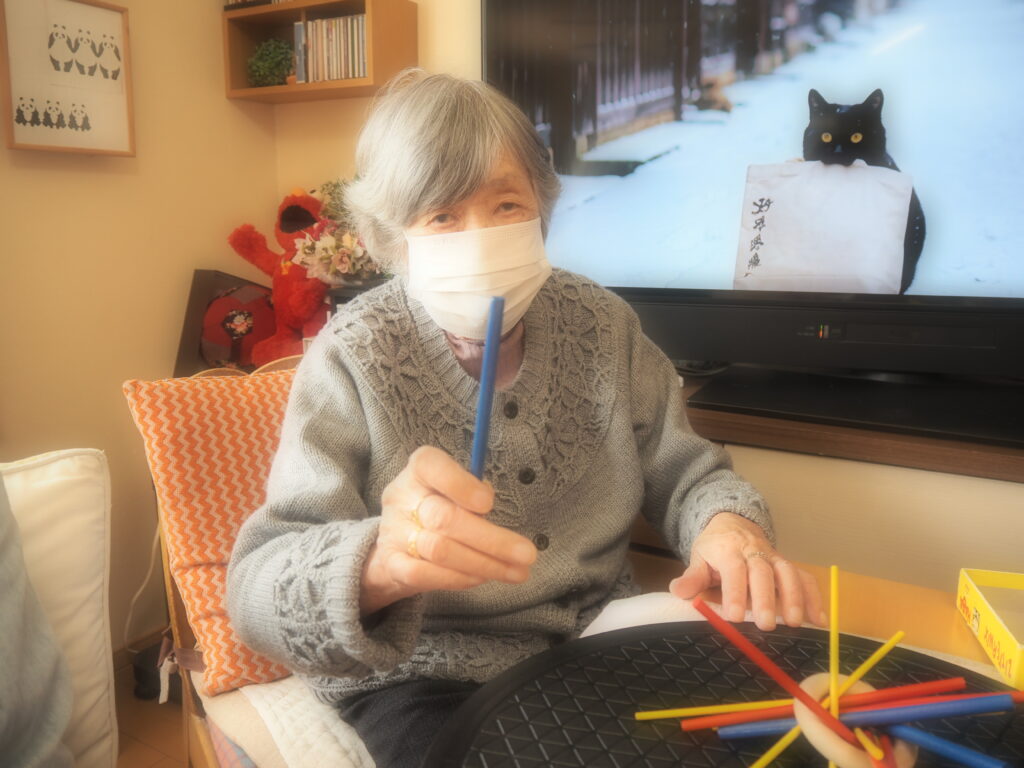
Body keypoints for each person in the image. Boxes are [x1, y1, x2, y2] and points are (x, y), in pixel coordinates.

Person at [226, 68, 824, 767]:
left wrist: (728, 527)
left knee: (772, 741)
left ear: (542, 207)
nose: (480, 236)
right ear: (393, 238)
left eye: (506, 204)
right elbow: (256, 591)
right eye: (442, 216)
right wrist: (381, 562)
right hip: (421, 674)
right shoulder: (351, 355)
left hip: (596, 640)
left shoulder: (602, 325)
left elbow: (690, 474)